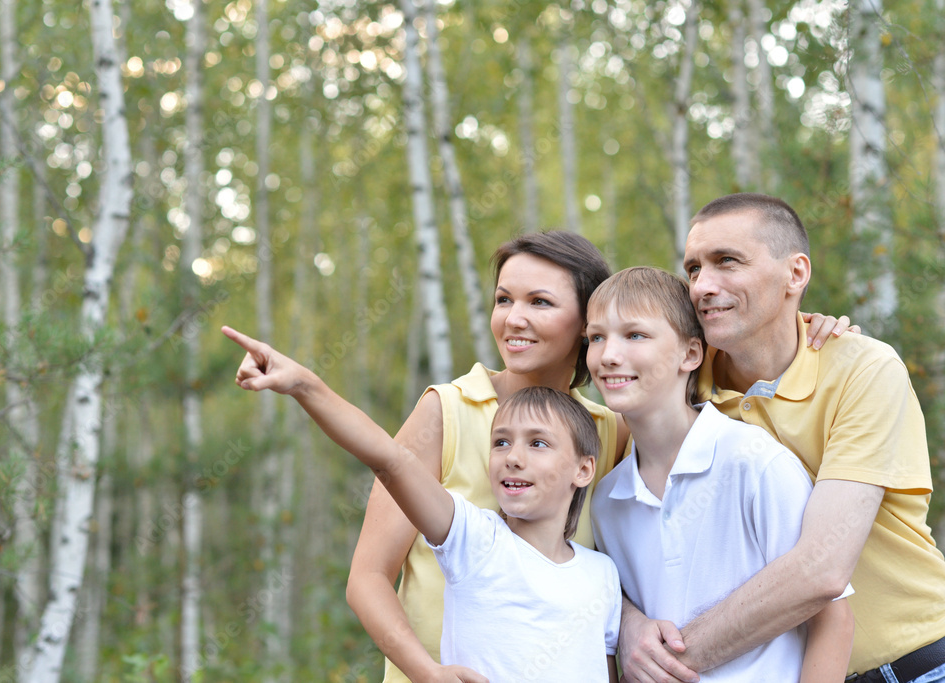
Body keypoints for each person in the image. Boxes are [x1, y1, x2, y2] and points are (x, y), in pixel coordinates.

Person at [341, 230, 850, 683]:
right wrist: (425, 672)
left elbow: (674, 379)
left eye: (540, 302)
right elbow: (367, 576)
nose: (514, 318)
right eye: (503, 299)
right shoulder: (448, 409)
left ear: (583, 320)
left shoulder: (608, 431)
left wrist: (802, 330)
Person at [618, 193, 945, 683]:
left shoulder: (862, 368)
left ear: (796, 274)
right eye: (693, 269)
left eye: (727, 261)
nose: (703, 286)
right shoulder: (680, 382)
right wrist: (627, 625)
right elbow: (595, 532)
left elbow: (821, 571)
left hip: (914, 664)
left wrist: (671, 665)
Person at [222, 324, 622, 681]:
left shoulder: (602, 574)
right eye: (500, 442)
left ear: (584, 469)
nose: (513, 457)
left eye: (537, 443)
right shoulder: (476, 542)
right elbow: (390, 459)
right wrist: (305, 386)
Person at [585, 266, 853, 682]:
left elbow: (833, 620)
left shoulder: (755, 463)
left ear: (691, 354)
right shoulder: (606, 500)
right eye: (596, 337)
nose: (608, 355)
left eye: (635, 335)